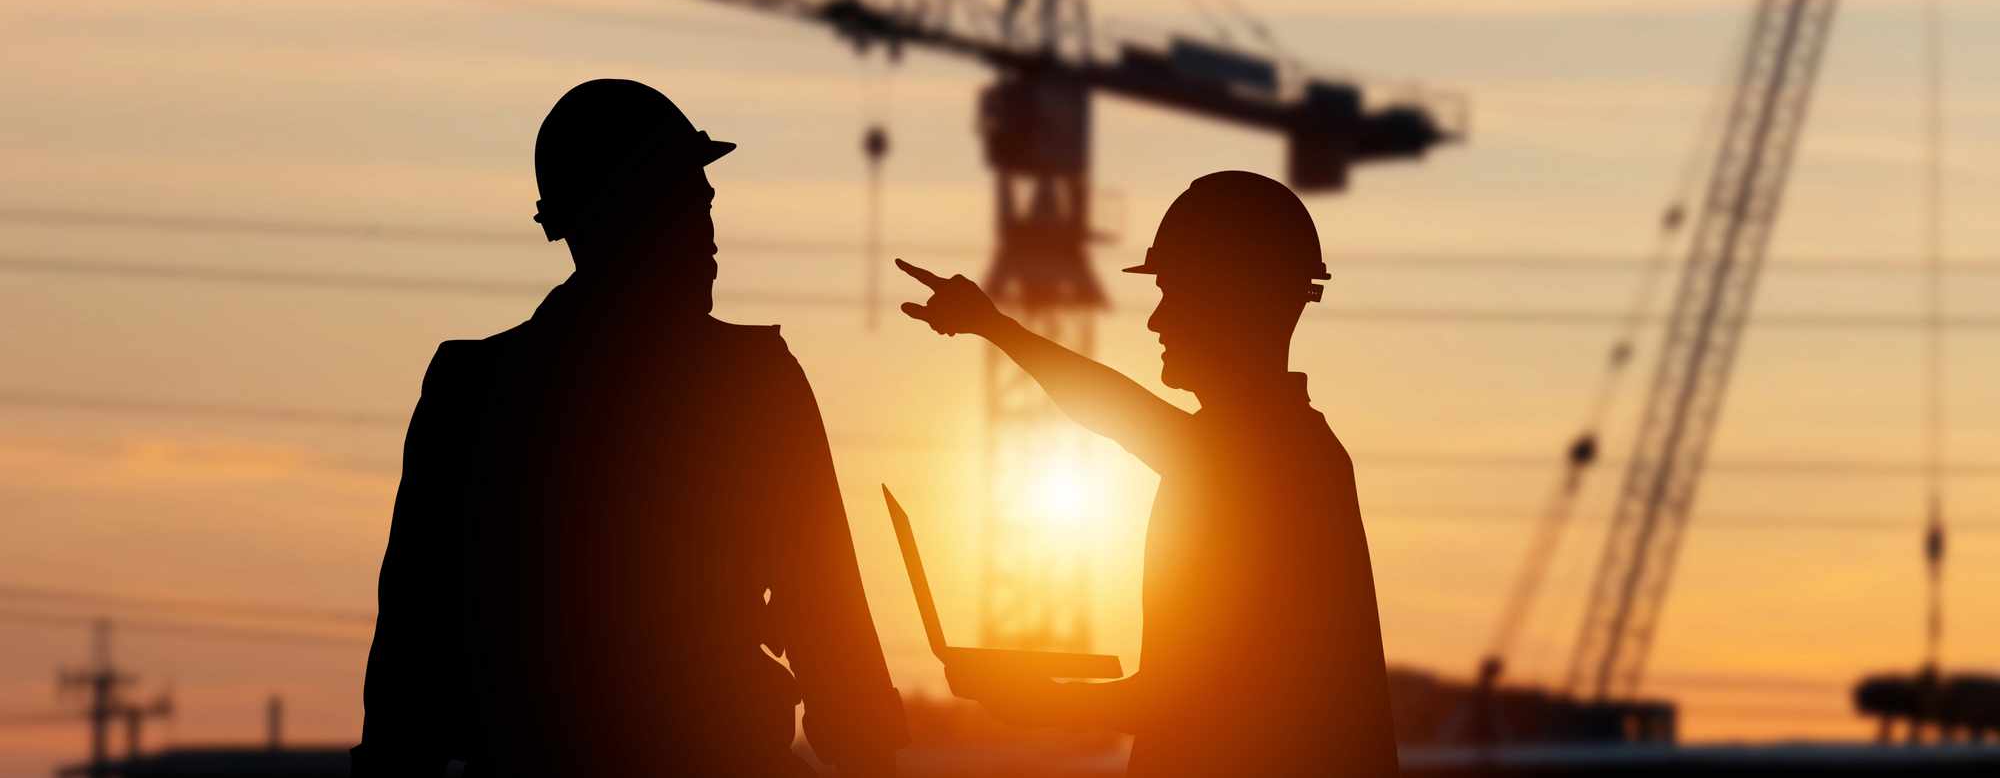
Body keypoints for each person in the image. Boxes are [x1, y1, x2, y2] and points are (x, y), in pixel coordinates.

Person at [355, 79, 906, 777]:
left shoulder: (473, 389)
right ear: (621, 216)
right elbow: (833, 634)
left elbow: (410, 664)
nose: (706, 233)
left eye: (703, 205)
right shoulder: (752, 389)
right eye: (682, 205)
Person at [897, 170, 1399, 777]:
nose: (1156, 322)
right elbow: (1116, 411)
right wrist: (993, 326)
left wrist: (1042, 700)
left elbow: (1191, 699)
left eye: (1174, 293)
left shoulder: (1264, 463)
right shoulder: (1273, 453)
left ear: (1231, 302)